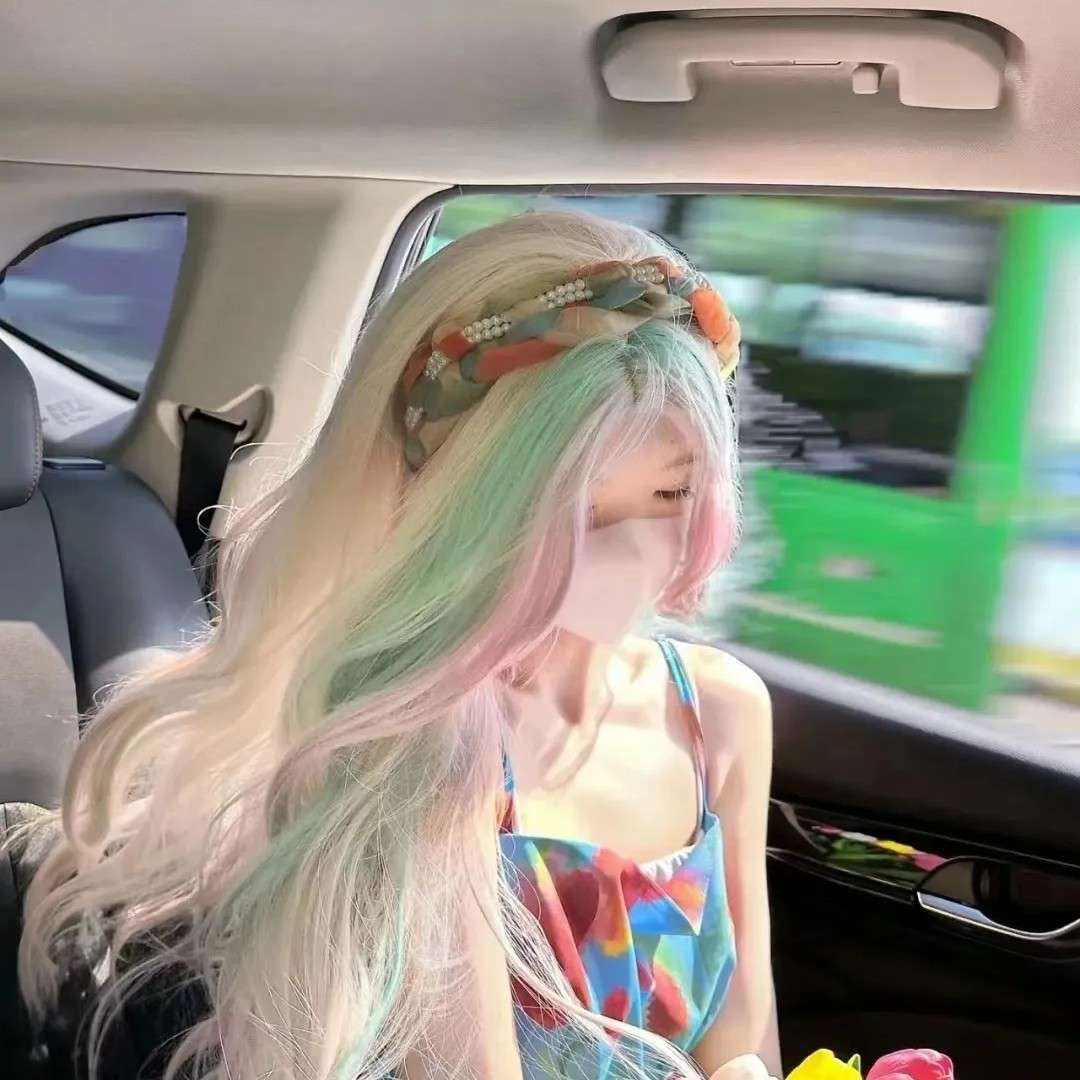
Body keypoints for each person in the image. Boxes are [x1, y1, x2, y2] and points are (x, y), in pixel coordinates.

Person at [17, 210, 781, 1079]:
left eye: (673, 495)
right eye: (571, 507)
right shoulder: (418, 748)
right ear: (460, 503)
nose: (630, 549)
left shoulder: (720, 711)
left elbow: (745, 1048)